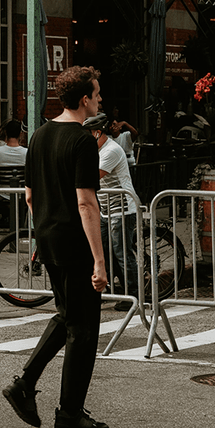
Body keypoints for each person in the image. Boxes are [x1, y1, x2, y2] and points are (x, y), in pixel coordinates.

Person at [2, 65, 109, 428]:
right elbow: (86, 203)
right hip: (75, 243)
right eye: (97, 95)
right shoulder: (82, 141)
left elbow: (30, 196)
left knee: (67, 316)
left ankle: (24, 385)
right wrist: (99, 260)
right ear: (84, 99)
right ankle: (69, 413)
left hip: (48, 239)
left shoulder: (42, 136)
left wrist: (46, 226)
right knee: (84, 327)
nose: (100, 100)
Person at [84, 112, 139, 310]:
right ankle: (110, 289)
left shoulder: (112, 150)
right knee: (104, 251)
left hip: (122, 208)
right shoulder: (97, 150)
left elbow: (91, 176)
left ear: (98, 133)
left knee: (122, 253)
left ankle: (133, 296)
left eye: (88, 134)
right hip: (106, 209)